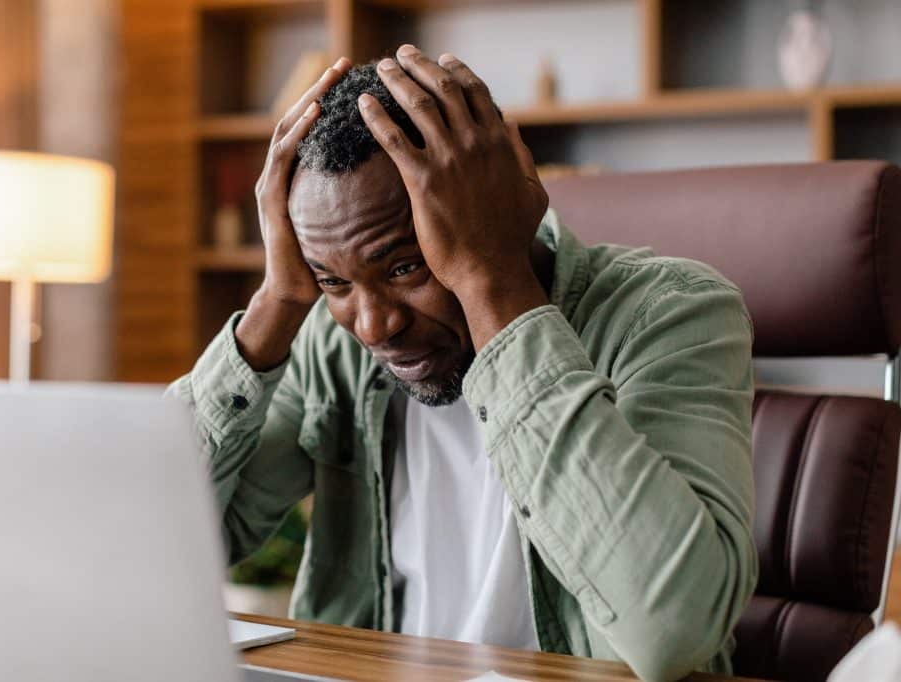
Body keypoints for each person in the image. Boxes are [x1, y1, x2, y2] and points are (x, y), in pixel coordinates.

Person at [169, 46, 757, 682]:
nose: (374, 325)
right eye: (332, 281)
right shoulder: (332, 345)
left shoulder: (670, 313)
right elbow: (160, 547)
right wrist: (277, 304)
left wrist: (494, 283)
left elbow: (672, 629)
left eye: (404, 266)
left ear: (491, 208)